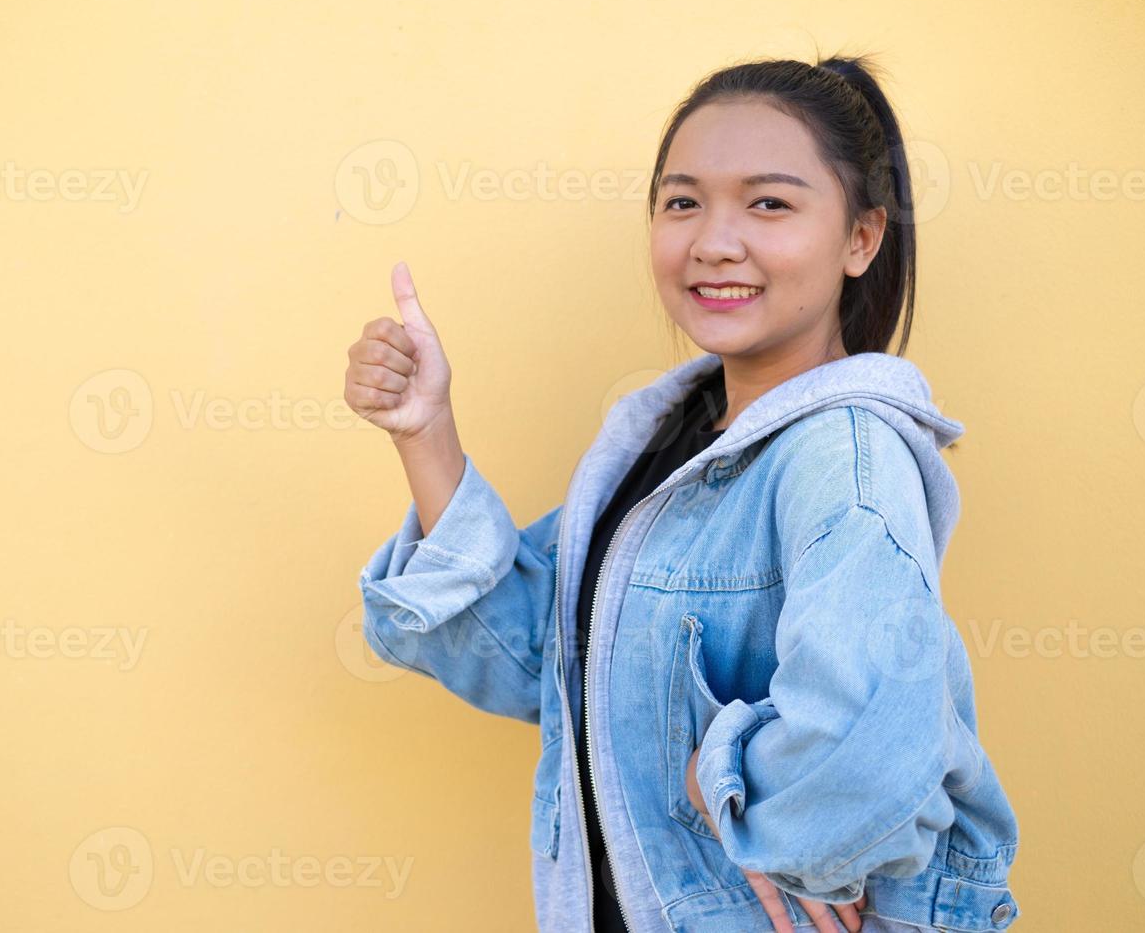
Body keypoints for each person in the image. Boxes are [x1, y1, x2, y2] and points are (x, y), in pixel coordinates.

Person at [345, 55, 1020, 933]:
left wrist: (727, 772)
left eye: (769, 202)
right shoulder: (664, 447)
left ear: (862, 237)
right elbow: (540, 668)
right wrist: (425, 432)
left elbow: (869, 746)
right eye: (683, 201)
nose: (713, 241)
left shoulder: (844, 457)